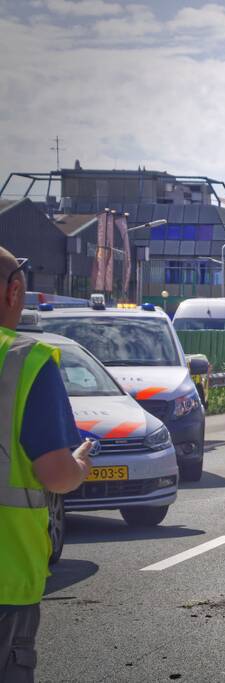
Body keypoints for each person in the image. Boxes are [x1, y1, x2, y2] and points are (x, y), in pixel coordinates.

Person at [0, 247, 93, 682]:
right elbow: (55, 474)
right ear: (13, 291)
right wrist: (78, 465)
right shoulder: (24, 360)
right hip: (6, 576)